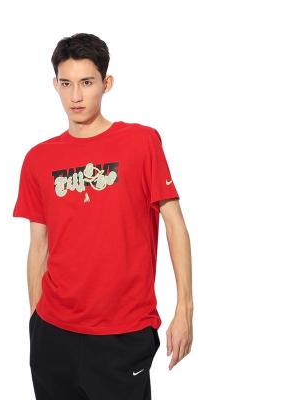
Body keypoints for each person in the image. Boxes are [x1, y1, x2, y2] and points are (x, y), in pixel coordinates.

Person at [13, 32, 193, 400]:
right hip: (53, 334)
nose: (75, 96)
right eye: (66, 84)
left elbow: (174, 225)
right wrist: (36, 319)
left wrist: (184, 308)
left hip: (121, 333)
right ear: (55, 85)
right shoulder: (38, 159)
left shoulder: (140, 142)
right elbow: (38, 245)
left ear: (106, 84)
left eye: (86, 82)